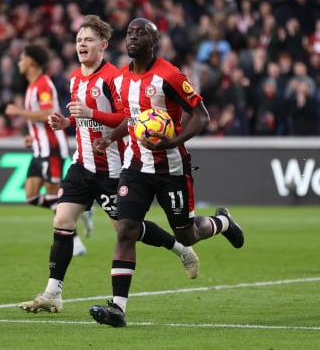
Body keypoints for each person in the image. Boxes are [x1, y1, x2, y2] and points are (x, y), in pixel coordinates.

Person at [17, 15, 200, 314]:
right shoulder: (75, 78)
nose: (81, 45)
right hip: (82, 164)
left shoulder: (115, 78)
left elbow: (126, 118)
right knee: (62, 222)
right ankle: (53, 292)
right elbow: (83, 117)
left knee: (126, 229)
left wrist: (90, 112)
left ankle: (180, 248)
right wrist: (67, 122)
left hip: (113, 169)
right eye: (78, 40)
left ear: (103, 45)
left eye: (88, 40)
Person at [89, 18, 245, 327]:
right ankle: (118, 309)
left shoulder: (170, 76)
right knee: (125, 229)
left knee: (185, 234)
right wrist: (110, 136)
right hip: (135, 167)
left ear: (153, 42)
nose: (133, 37)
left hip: (171, 168)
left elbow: (201, 117)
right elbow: (132, 119)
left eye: (141, 33)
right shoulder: (119, 80)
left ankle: (223, 222)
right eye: (130, 33)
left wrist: (172, 140)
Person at [5, 44, 88, 255]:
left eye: (22, 59)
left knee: (54, 198)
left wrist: (19, 112)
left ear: (31, 62)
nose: (19, 63)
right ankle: (82, 209)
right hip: (39, 147)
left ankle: (76, 242)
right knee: (31, 196)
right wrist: (32, 137)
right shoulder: (31, 86)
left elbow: (48, 113)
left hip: (51, 148)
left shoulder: (43, 84)